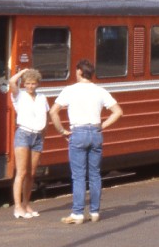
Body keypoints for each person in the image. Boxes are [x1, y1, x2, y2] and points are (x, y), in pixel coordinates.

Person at [49, 59, 123, 224]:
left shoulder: (70, 90)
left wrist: (61, 130)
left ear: (80, 72)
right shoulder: (100, 91)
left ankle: (77, 213)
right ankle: (95, 212)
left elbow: (53, 112)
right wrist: (102, 125)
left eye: (76, 71)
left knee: (79, 176)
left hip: (78, 132)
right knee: (95, 175)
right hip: (95, 133)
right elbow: (118, 112)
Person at [8, 67, 47, 219]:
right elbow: (12, 81)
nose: (30, 86)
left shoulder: (42, 97)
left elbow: (46, 116)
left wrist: (44, 134)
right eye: (28, 83)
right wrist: (23, 72)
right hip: (23, 134)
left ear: (38, 84)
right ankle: (17, 207)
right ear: (24, 84)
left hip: (37, 136)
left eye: (33, 83)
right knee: (22, 172)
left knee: (31, 174)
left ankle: (26, 204)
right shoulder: (19, 96)